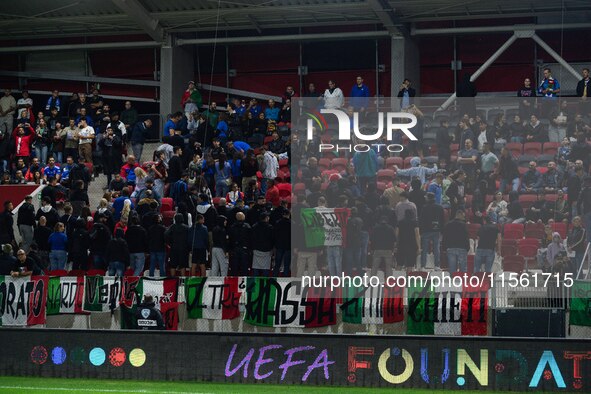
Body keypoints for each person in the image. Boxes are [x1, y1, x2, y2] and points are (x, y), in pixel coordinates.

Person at [419, 192, 444, 269]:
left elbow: (421, 220)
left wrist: (421, 231)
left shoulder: (424, 207)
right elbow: (442, 219)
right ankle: (437, 265)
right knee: (436, 248)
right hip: (436, 230)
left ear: (428, 198)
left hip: (426, 230)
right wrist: (442, 230)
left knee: (425, 249)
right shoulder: (440, 207)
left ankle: (423, 265)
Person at [251, 212, 274, 277]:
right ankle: (265, 283)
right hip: (267, 250)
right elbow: (272, 239)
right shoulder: (270, 227)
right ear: (266, 218)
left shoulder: (254, 226)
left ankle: (255, 283)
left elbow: (252, 238)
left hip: (256, 249)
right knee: (266, 268)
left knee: (255, 267)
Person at [272, 207, 291, 277]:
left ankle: (275, 276)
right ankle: (285, 278)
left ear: (282, 215)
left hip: (279, 246)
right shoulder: (292, 223)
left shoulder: (277, 223)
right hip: (288, 246)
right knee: (286, 264)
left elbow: (275, 235)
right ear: (289, 214)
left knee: (277, 264)